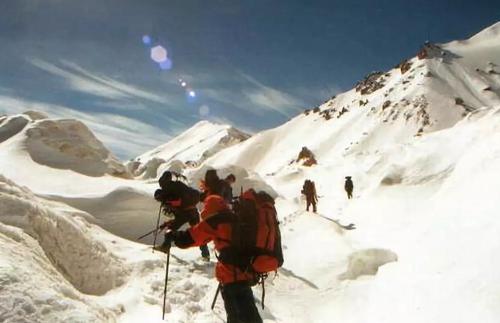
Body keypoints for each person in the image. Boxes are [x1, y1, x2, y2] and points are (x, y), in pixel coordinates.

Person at [156, 183, 263, 323]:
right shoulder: (234, 217)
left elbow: (191, 238)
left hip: (231, 276)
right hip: (246, 272)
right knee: (248, 314)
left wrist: (173, 235)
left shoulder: (216, 221)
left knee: (237, 316)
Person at [154, 171, 210, 260]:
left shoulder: (167, 190)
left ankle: (165, 247)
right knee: (198, 232)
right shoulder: (179, 185)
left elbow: (177, 210)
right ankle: (206, 254)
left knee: (170, 230)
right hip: (193, 211)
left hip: (185, 213)